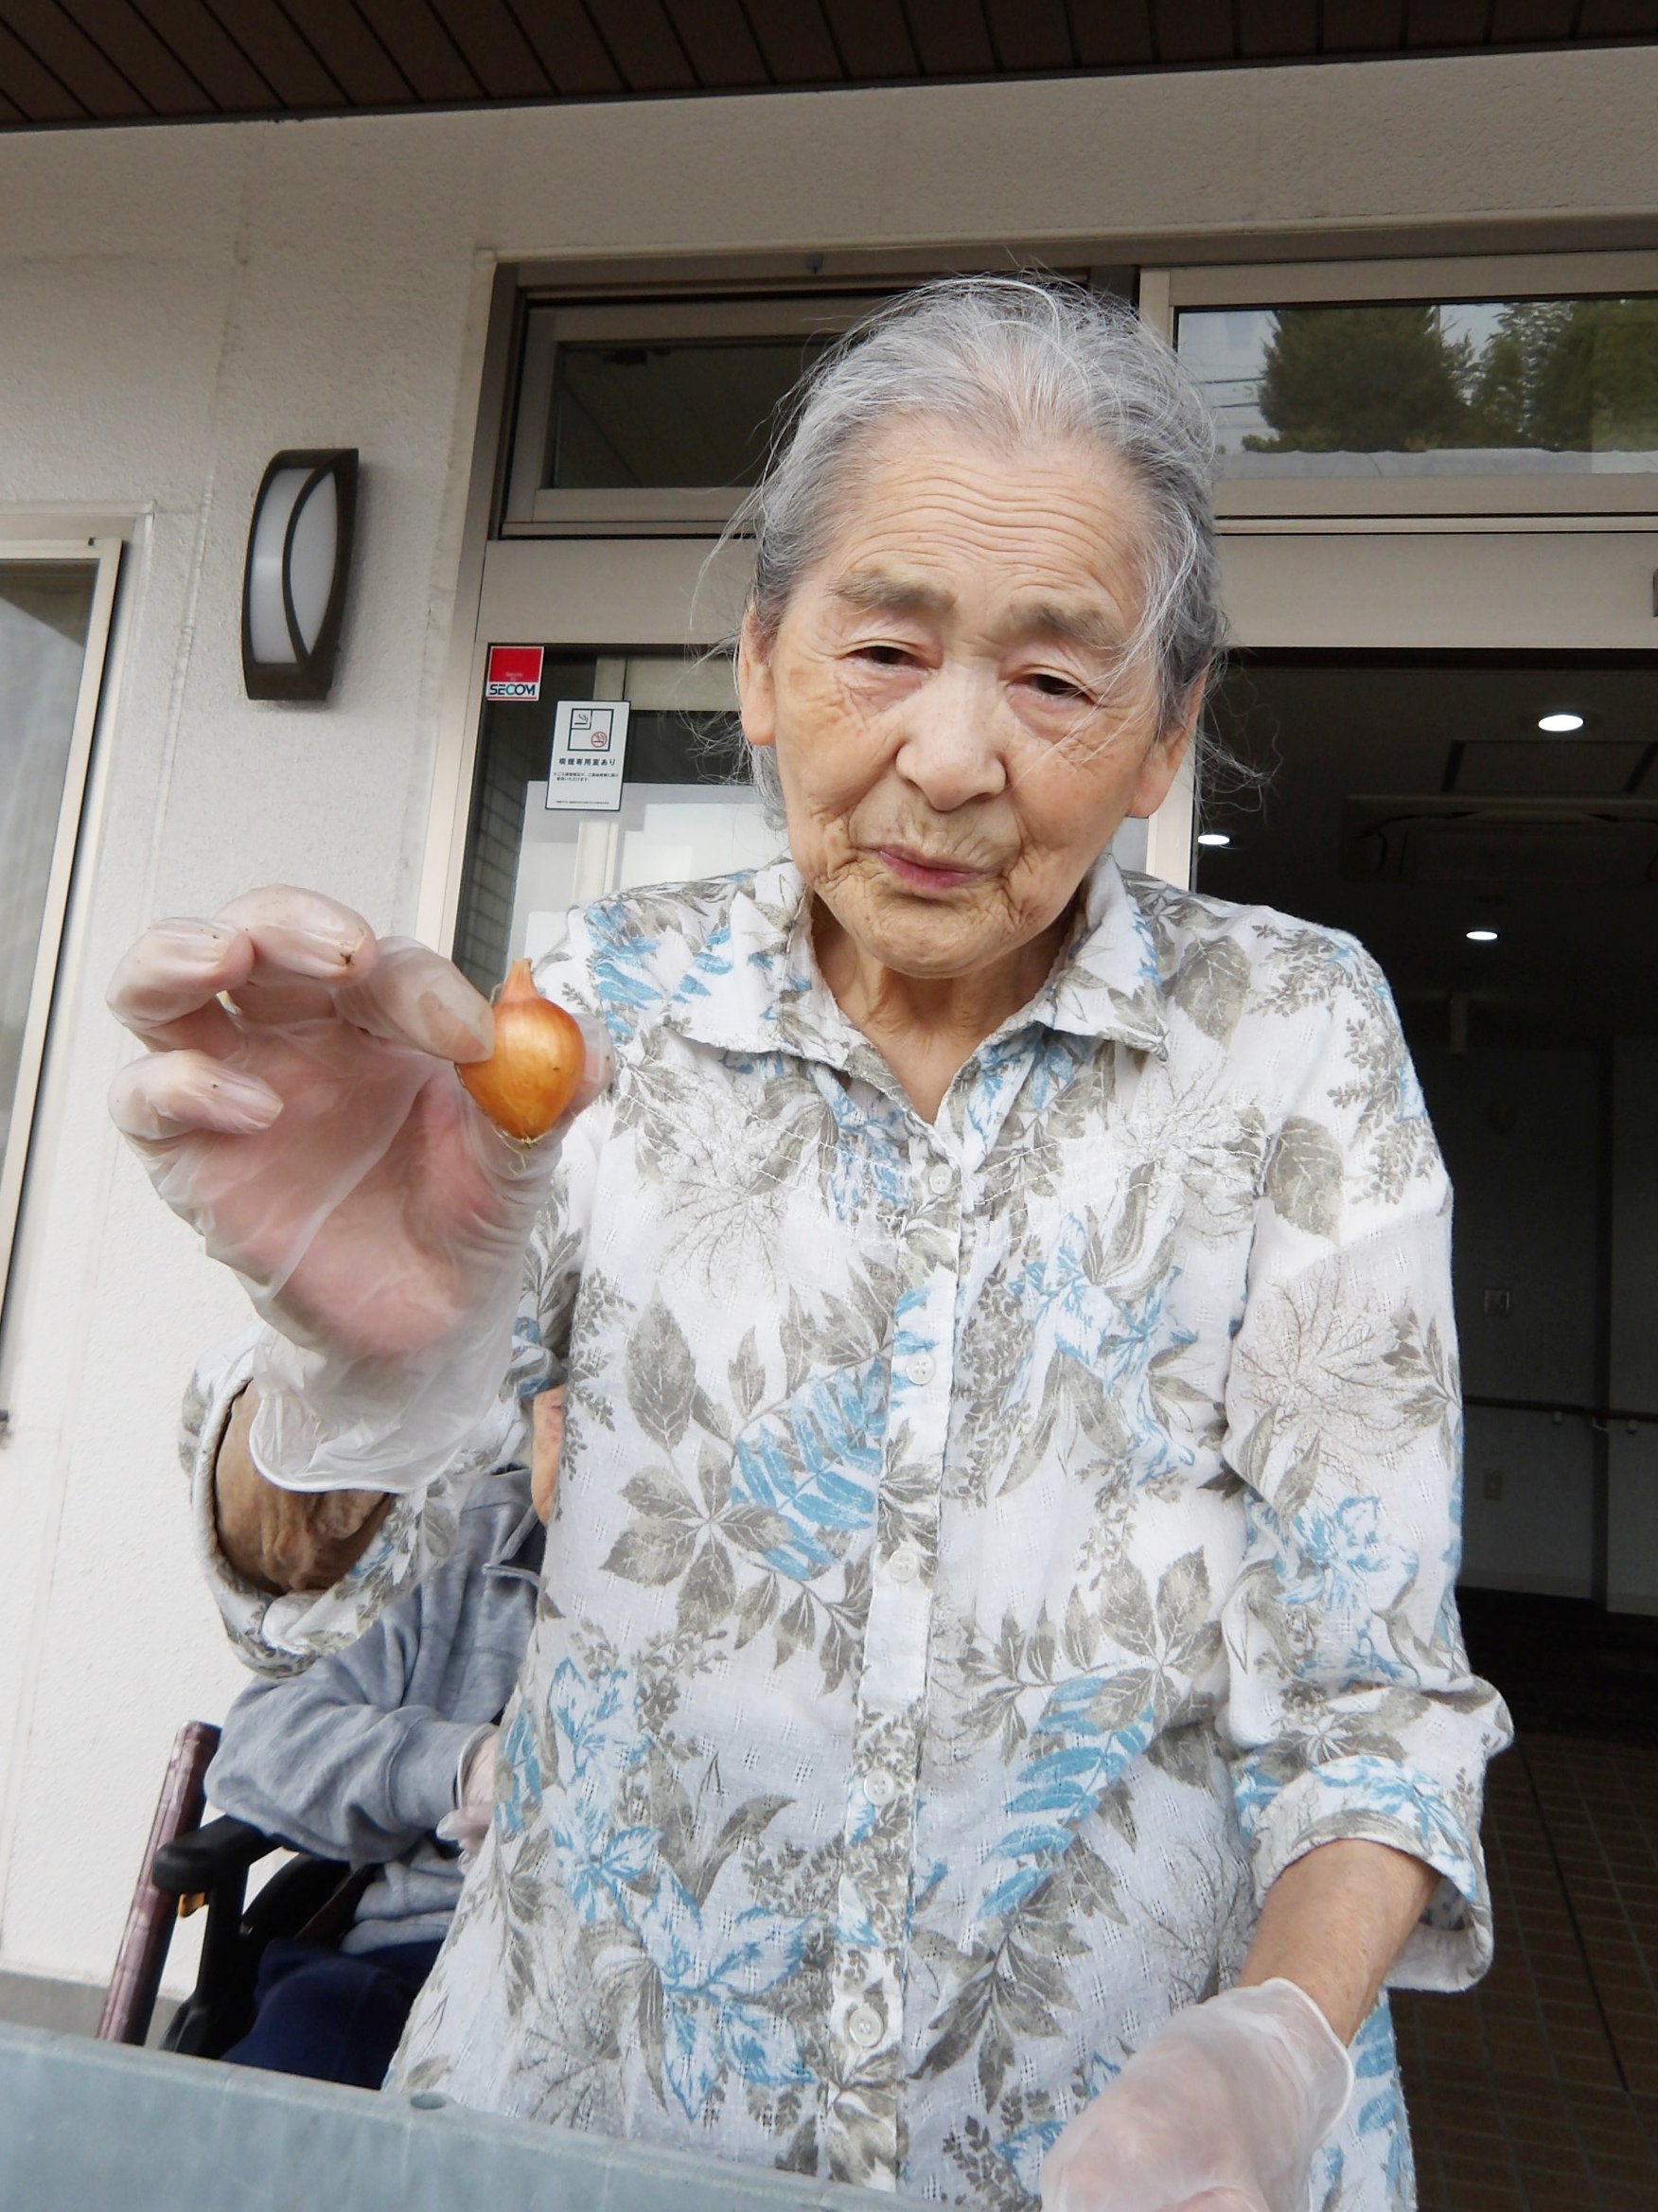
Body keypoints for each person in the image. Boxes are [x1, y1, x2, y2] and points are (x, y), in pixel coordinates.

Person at [110, 278, 1508, 2212]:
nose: (949, 756)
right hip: (587, 2130)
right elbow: (302, 1609)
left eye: (1054, 676)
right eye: (882, 643)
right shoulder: (599, 1011)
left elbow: (1386, 1693)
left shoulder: (1292, 1044)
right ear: (761, 663)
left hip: (1135, 2165)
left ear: (1167, 732)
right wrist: (347, 1379)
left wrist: (1280, 2033)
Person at [203, 1397, 559, 2087]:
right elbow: (259, 1745)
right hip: (418, 1959)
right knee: (311, 2033)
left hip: (624, 1993)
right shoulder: (460, 1539)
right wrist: (459, 1765)